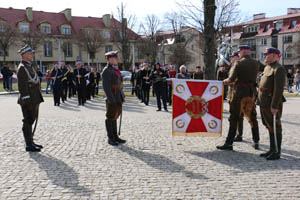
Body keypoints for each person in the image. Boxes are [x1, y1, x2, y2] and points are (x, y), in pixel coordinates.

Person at [217, 45, 260, 151]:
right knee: (252, 117)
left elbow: (231, 79)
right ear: (249, 52)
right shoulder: (256, 63)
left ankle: (229, 143)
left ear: (242, 52)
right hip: (251, 93)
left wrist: (224, 81)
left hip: (239, 94)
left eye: (239, 52)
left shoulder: (238, 63)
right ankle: (256, 141)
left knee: (234, 117)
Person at [258, 47, 286, 160]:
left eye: (267, 54)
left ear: (274, 55)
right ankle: (271, 149)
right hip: (264, 101)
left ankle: (277, 151)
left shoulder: (278, 69)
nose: (265, 56)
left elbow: (278, 89)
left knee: (275, 126)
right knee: (269, 126)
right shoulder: (267, 67)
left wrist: (274, 105)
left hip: (271, 102)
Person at [16, 44, 44, 152]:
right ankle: (28, 144)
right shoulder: (22, 68)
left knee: (31, 119)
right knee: (27, 120)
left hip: (34, 97)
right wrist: (27, 100)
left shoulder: (29, 65)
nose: (32, 55)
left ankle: (31, 141)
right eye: (30, 53)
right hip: (28, 99)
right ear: (25, 55)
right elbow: (22, 86)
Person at [102, 51, 126, 146]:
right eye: (115, 58)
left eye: (116, 58)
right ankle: (110, 138)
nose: (117, 59)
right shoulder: (106, 70)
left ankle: (115, 136)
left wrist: (122, 94)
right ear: (110, 59)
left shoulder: (116, 70)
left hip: (118, 95)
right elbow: (106, 87)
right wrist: (111, 100)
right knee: (110, 116)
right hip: (112, 97)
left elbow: (119, 83)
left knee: (115, 116)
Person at [227, 51, 244, 142]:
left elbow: (236, 80)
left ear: (238, 57)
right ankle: (234, 133)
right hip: (231, 93)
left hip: (238, 93)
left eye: (233, 57)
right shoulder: (232, 66)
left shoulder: (239, 66)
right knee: (233, 115)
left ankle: (239, 134)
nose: (231, 58)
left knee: (239, 116)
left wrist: (229, 82)